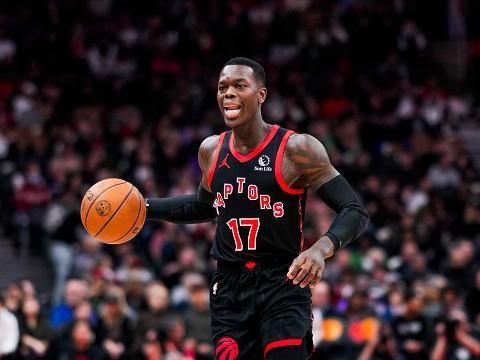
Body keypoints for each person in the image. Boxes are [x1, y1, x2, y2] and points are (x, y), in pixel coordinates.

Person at [144, 57, 369, 359]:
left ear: (261, 95)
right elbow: (202, 206)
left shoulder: (297, 148)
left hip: (282, 282)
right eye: (223, 87)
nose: (229, 93)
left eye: (239, 85)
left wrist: (320, 249)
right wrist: (144, 206)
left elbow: (354, 210)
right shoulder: (211, 150)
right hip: (229, 288)